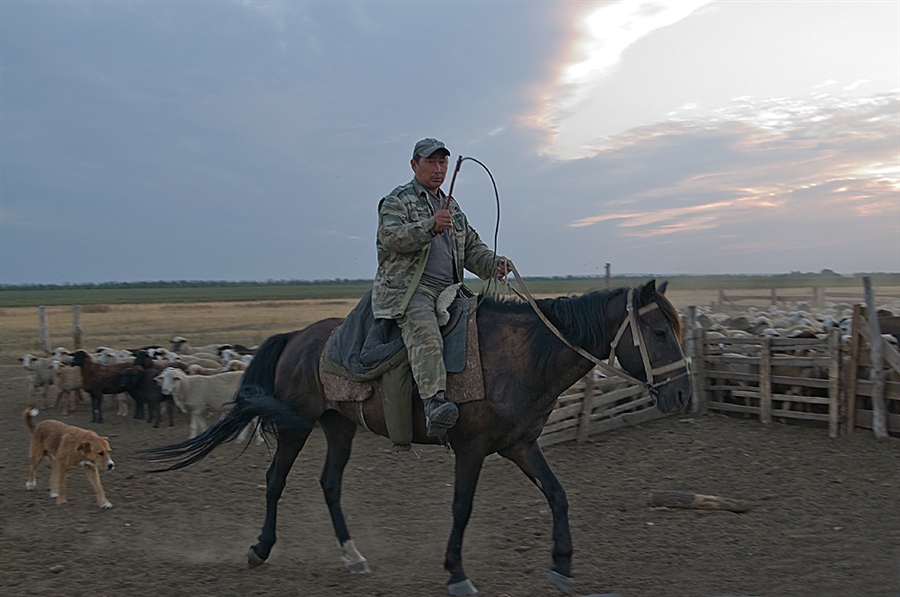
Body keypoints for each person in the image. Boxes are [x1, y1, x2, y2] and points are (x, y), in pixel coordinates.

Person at [373, 138, 509, 437]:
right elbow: (391, 238)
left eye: (442, 162)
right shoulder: (397, 200)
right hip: (412, 290)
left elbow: (472, 247)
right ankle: (434, 404)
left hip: (451, 289)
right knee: (427, 334)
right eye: (430, 162)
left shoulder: (453, 207)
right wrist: (429, 226)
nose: (438, 169)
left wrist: (493, 264)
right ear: (414, 165)